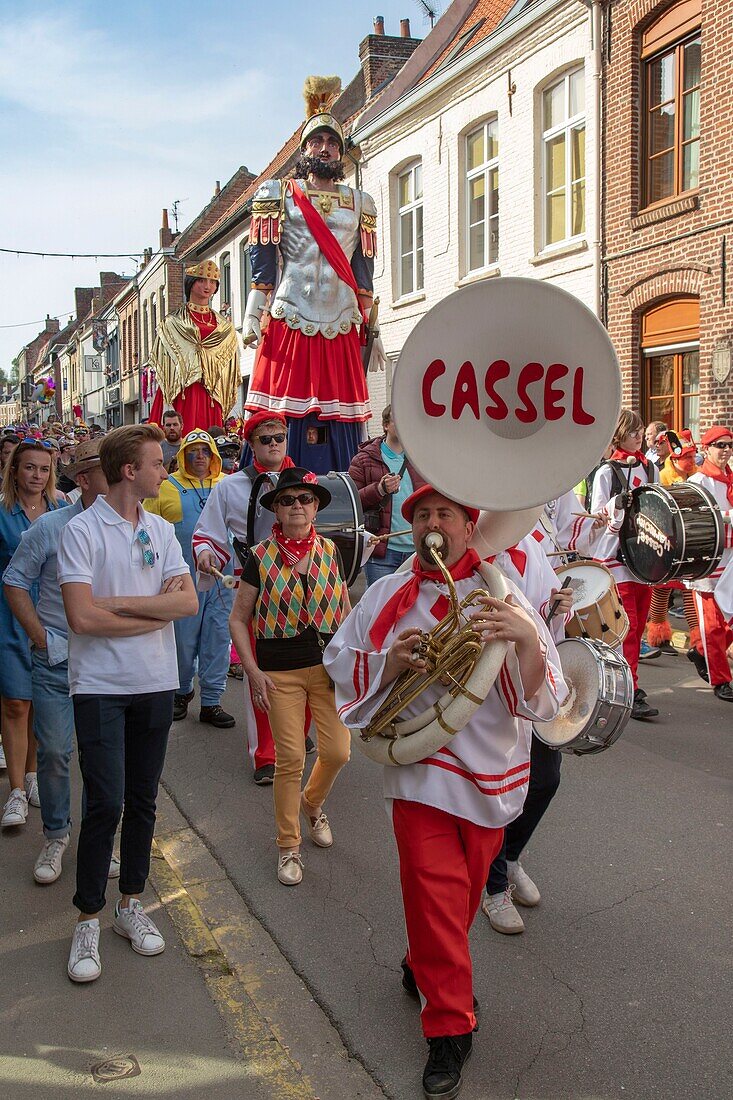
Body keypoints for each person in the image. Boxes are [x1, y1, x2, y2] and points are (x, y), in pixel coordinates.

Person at [324, 485, 564, 1100]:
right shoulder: (388, 594)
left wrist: (528, 639)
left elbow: (546, 697)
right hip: (419, 771)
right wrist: (389, 664)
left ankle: (422, 963)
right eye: (423, 515)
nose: (434, 524)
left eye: (445, 515)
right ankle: (451, 1027)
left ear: (467, 526)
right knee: (434, 894)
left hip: (494, 772)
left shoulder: (503, 592)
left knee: (453, 905)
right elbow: (338, 659)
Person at [57, 424, 198, 983]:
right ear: (128, 471)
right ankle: (87, 916)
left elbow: (185, 602)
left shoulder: (161, 529)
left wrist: (118, 605)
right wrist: (150, 612)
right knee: (104, 803)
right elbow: (80, 618)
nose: (165, 471)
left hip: (156, 683)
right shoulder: (83, 531)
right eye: (157, 463)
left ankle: (129, 905)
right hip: (98, 687)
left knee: (142, 801)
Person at [242, 75, 387, 472]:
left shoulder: (362, 203)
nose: (325, 149)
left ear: (341, 152)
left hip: (340, 319)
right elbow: (264, 261)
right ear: (305, 149)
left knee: (340, 416)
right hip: (291, 312)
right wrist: (254, 313)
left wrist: (372, 327)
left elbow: (363, 271)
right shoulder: (278, 195)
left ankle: (342, 486)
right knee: (281, 410)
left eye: (333, 143)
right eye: (317, 142)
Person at [3, 440, 119, 883]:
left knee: (102, 758)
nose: (121, 480)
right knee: (54, 753)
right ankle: (55, 834)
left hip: (106, 662)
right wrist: (40, 637)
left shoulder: (129, 528)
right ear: (85, 480)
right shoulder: (51, 527)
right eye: (109, 473)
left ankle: (99, 841)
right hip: (56, 662)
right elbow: (15, 581)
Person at [229, 468, 351, 886]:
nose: (297, 506)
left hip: (327, 670)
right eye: (288, 500)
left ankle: (312, 804)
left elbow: (345, 611)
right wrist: (253, 671)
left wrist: (353, 662)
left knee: (337, 752)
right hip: (280, 673)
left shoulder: (331, 551)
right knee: (291, 759)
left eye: (304, 499)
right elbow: (238, 619)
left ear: (316, 506)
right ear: (276, 510)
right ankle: (289, 848)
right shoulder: (260, 556)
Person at [194, 411, 313, 784]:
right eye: (266, 440)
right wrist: (207, 554)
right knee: (259, 667)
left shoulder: (310, 483)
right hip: (255, 582)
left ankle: (296, 729)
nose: (274, 444)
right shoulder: (228, 488)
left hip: (305, 582)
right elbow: (207, 534)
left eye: (279, 437)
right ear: (251, 444)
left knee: (309, 662)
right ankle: (265, 752)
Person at [145, 429, 235, 728]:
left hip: (224, 582)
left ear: (214, 456)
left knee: (218, 641)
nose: (200, 456)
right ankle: (181, 691)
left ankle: (212, 700)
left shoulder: (227, 486)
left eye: (205, 451)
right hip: (183, 581)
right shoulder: (167, 487)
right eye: (193, 451)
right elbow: (146, 529)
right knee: (183, 642)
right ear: (182, 455)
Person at [1, 440, 68, 829]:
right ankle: (14, 791)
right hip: (9, 613)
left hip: (51, 615)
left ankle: (32, 775)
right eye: (29, 468)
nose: (36, 476)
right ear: (15, 470)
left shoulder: (61, 512)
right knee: (14, 702)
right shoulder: (2, 512)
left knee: (42, 701)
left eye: (44, 469)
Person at [591, 409, 659, 720]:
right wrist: (616, 506)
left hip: (642, 558)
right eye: (633, 431)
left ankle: (628, 684)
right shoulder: (607, 472)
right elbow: (597, 516)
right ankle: (630, 689)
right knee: (627, 627)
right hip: (614, 560)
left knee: (639, 624)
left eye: (641, 431)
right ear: (620, 433)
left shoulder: (651, 469)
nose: (639, 436)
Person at [149, 261, 240, 435]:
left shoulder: (224, 326)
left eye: (212, 282)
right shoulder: (173, 322)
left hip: (212, 392)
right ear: (191, 283)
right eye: (202, 280)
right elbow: (165, 360)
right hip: (182, 390)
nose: (208, 286)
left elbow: (228, 362)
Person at [348, 404, 426, 585]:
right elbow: (351, 502)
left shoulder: (421, 458)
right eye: (397, 420)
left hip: (417, 549)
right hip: (382, 551)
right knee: (381, 608)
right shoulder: (364, 459)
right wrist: (379, 490)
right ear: (385, 425)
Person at [685, 426, 733, 702]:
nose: (726, 450)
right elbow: (693, 521)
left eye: (729, 445)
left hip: (731, 559)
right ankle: (721, 679)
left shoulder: (730, 479)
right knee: (713, 623)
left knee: (727, 622)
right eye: (720, 445)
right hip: (709, 559)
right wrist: (726, 517)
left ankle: (702, 652)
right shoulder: (698, 482)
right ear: (707, 449)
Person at [647, 431, 701, 655]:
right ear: (676, 457)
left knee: (689, 590)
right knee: (662, 591)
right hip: (669, 541)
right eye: (685, 457)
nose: (690, 461)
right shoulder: (664, 476)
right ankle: (658, 636)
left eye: (692, 456)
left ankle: (699, 640)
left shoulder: (697, 475)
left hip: (691, 540)